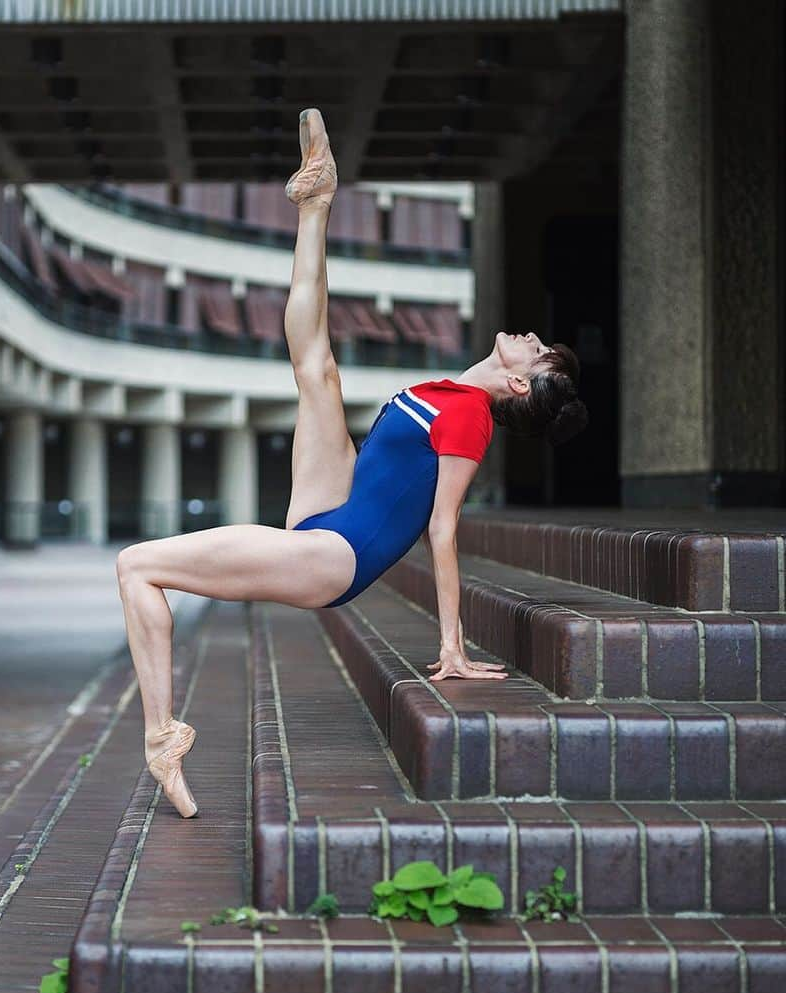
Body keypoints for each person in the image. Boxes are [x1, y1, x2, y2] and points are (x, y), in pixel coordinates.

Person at [116, 108, 589, 818]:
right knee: (317, 366)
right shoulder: (455, 388)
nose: (528, 335)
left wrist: (452, 646)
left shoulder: (466, 415)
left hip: (334, 553)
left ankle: (162, 739)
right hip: (335, 507)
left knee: (136, 565)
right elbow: (317, 351)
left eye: (536, 348)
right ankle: (317, 203)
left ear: (519, 382)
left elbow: (443, 530)